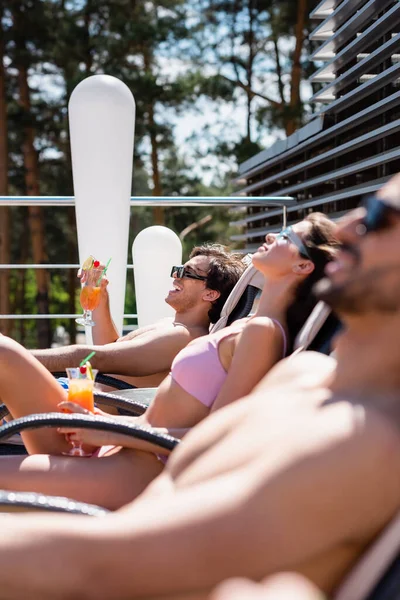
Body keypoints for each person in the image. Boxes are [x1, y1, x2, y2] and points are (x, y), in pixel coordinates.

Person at [0, 175, 398, 600]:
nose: (343, 228)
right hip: (123, 469)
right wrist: (105, 426)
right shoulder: (302, 376)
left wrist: (109, 430)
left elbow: (113, 564)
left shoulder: (362, 439)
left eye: (378, 217)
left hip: (118, 513)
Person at [0, 213, 337, 510]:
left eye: (285, 237)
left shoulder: (262, 333)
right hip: (116, 444)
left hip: (137, 471)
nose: (269, 237)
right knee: (6, 355)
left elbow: (219, 438)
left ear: (302, 266)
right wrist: (102, 423)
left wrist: (109, 430)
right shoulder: (246, 326)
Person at [32, 244, 246, 388]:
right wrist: (101, 295)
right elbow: (111, 348)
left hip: (84, 407)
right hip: (80, 393)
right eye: (177, 269)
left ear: (210, 293)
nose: (175, 276)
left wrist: (17, 357)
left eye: (186, 272)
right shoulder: (170, 324)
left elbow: (97, 358)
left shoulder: (184, 337)